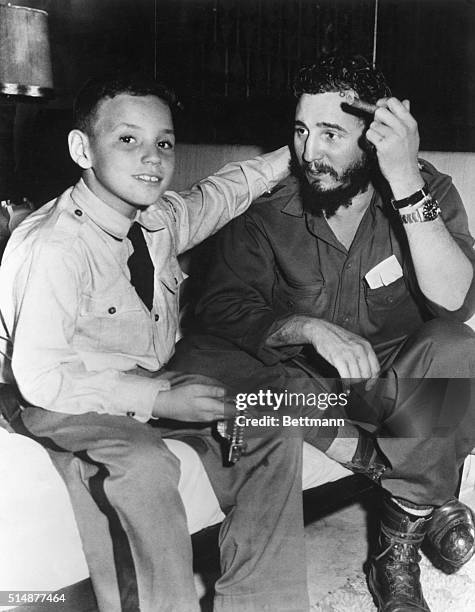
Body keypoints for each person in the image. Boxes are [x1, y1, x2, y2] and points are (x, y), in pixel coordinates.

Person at [170, 55, 475, 612]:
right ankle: (413, 482)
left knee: (461, 353)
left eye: (332, 134)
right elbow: (219, 309)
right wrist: (306, 326)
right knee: (207, 364)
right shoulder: (268, 209)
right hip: (308, 394)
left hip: (394, 393)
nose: (310, 153)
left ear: (375, 137)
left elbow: (455, 301)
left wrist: (405, 180)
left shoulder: (426, 190)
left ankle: (396, 542)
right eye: (301, 130)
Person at [0, 74, 310, 612]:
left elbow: (221, 193)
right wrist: (159, 401)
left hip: (143, 379)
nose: (152, 158)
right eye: (128, 140)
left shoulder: (156, 220)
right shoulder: (54, 245)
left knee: (270, 420)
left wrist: (299, 151)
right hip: (51, 396)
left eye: (163, 143)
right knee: (145, 465)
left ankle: (262, 602)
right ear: (82, 149)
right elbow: (44, 377)